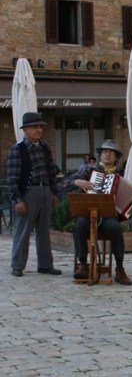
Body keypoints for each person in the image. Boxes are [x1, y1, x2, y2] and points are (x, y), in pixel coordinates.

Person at [68, 139, 132, 285]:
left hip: (108, 217)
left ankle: (120, 269)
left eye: (111, 152)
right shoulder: (89, 170)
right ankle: (83, 265)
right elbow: (63, 183)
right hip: (88, 214)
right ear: (100, 155)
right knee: (80, 225)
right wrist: (76, 182)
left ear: (116, 157)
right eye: (104, 152)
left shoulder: (121, 174)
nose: (107, 154)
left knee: (115, 228)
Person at [7, 112, 61, 277]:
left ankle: (45, 265)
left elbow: (51, 172)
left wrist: (53, 192)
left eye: (40, 127)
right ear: (25, 130)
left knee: (44, 230)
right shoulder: (18, 149)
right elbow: (12, 177)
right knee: (23, 230)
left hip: (45, 190)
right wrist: (17, 199)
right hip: (28, 192)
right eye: (34, 127)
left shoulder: (45, 147)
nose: (38, 130)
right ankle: (17, 265)